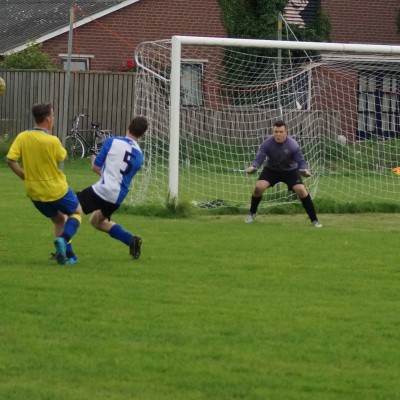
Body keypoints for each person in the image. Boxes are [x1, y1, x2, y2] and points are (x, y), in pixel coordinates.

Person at [6, 103, 83, 264]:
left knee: (59, 219)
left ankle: (66, 256)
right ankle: (63, 240)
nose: (53, 118)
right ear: (48, 119)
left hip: (34, 192)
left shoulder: (23, 136)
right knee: (77, 212)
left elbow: (10, 160)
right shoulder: (52, 141)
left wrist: (24, 176)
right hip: (55, 189)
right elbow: (63, 156)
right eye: (53, 116)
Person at [76, 116, 148, 260]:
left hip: (103, 190)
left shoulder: (112, 141)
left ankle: (65, 248)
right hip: (117, 198)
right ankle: (131, 240)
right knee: (96, 221)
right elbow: (118, 176)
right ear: (143, 134)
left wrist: (93, 161)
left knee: (71, 207)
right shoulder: (140, 157)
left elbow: (96, 168)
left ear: (128, 125)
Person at [244, 120, 322, 227]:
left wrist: (304, 169)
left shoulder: (293, 145)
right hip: (272, 170)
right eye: (276, 132)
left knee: (301, 190)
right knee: (259, 187)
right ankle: (252, 213)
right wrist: (254, 167)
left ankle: (314, 220)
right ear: (273, 132)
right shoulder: (267, 143)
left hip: (290, 171)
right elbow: (259, 159)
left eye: (281, 132)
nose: (278, 134)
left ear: (286, 132)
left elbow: (301, 161)